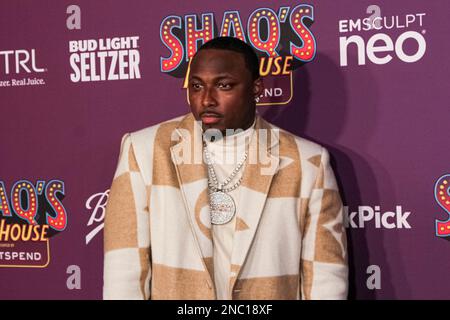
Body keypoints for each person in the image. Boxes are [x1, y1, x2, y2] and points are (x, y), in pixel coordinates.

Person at [103, 37, 348, 300]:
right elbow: (124, 269)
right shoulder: (144, 150)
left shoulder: (307, 161)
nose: (206, 99)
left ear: (256, 88)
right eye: (196, 86)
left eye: (223, 85)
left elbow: (325, 279)